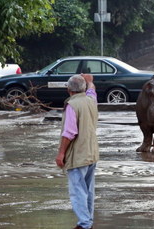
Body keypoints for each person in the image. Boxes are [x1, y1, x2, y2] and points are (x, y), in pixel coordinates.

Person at [55, 73, 99, 229]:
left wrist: (61, 153)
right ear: (83, 88)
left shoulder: (72, 105)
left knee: (77, 190)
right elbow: (92, 90)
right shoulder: (91, 100)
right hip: (92, 153)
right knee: (88, 190)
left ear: (68, 90)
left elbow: (69, 133)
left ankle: (85, 223)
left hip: (78, 155)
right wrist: (89, 82)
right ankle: (87, 221)